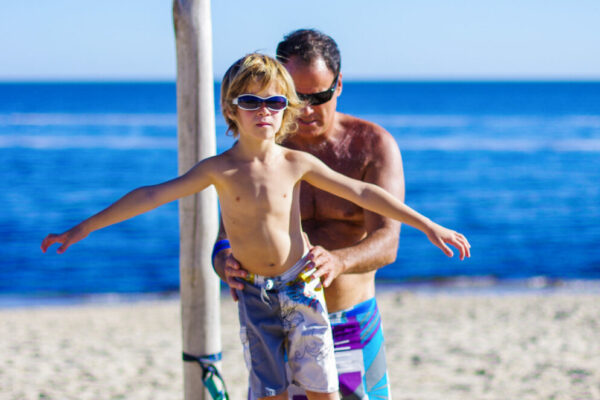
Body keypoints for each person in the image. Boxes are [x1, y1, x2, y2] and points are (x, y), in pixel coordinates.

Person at [213, 30, 470, 400]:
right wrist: (224, 262)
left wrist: (339, 260)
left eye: (319, 96)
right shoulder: (261, 151)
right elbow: (225, 235)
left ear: (339, 84)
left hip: (348, 319)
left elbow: (387, 243)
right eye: (296, 98)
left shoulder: (370, 145)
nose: (307, 109)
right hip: (279, 322)